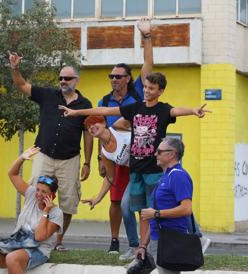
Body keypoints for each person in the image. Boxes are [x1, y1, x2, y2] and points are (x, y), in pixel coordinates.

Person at [59, 72, 210, 259]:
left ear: (160, 91)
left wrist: (194, 110)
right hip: (136, 172)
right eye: (145, 87)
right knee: (129, 207)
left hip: (154, 172)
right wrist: (75, 112)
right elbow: (105, 111)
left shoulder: (163, 110)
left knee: (164, 206)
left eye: (152, 88)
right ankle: (137, 247)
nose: (147, 91)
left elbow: (177, 110)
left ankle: (196, 237)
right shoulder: (135, 108)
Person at [9, 53, 93, 251]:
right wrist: (15, 68)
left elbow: (88, 135)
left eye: (68, 78)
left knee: (68, 201)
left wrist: (88, 162)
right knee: (35, 194)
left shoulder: (85, 105)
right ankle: (32, 234)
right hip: (44, 154)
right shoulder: (47, 95)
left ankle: (58, 241)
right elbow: (22, 85)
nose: (63, 81)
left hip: (70, 159)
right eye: (61, 78)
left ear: (76, 80)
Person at [97, 17, 152, 258]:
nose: (114, 79)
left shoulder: (138, 93)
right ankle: (121, 242)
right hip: (117, 159)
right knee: (118, 202)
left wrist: (146, 36)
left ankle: (144, 244)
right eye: (111, 76)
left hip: (140, 157)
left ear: (128, 79)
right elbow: (100, 132)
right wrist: (101, 158)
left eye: (118, 76)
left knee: (141, 204)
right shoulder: (104, 102)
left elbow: (148, 64)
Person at [0, 146, 63, 274]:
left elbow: (40, 236)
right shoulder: (31, 194)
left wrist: (46, 211)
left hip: (39, 250)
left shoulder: (56, 213)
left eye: (44, 192)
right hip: (18, 243)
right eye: (38, 190)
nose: (39, 194)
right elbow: (12, 174)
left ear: (52, 195)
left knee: (12, 258)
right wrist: (22, 158)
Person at [136, 137, 193, 274]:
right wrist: (144, 245)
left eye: (159, 151)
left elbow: (186, 209)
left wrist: (156, 213)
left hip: (169, 241)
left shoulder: (178, 176)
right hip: (156, 240)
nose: (155, 154)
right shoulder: (165, 177)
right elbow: (154, 215)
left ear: (171, 154)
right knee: (134, 271)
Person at [80, 115, 131, 254]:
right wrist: (98, 197)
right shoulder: (104, 153)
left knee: (161, 201)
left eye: (94, 123)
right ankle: (134, 246)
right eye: (88, 127)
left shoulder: (118, 126)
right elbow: (110, 177)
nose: (91, 128)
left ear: (103, 123)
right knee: (125, 205)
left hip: (151, 164)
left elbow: (138, 115)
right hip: (133, 172)